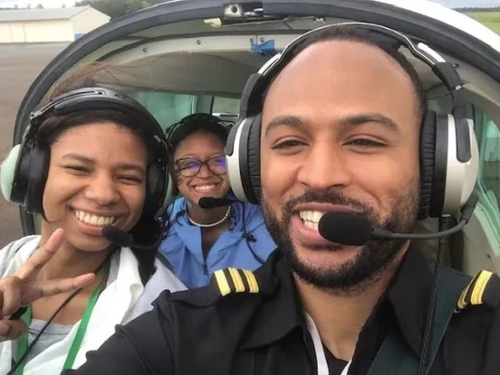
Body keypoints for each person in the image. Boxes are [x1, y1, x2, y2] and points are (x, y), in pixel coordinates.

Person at [62, 23, 500, 375]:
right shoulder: (182, 332)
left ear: (437, 167)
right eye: (290, 142)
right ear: (251, 169)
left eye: (364, 141)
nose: (320, 176)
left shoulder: (486, 332)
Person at [0, 75, 185, 374]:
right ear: (31, 174)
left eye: (128, 177)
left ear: (152, 195)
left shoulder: (167, 312)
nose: (103, 195)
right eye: (78, 168)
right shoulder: (5, 262)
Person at [158, 113, 276, 288]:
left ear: (236, 166)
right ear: (171, 175)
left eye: (218, 161)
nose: (205, 174)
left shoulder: (270, 224)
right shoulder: (158, 229)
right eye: (188, 164)